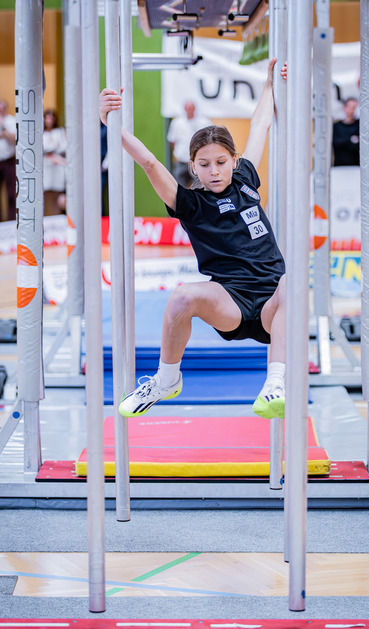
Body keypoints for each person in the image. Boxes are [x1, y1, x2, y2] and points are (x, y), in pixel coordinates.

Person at [99, 58, 287, 421]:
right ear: (193, 166)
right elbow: (150, 163)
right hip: (230, 302)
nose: (213, 171)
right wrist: (112, 124)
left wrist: (268, 85)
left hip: (273, 304)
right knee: (183, 295)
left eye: (221, 162)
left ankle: (275, 384)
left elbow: (261, 124)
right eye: (204, 164)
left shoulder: (246, 179)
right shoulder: (189, 203)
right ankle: (166, 380)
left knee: (292, 282)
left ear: (234, 161)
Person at [166, 100, 212, 188]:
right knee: (179, 187)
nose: (189, 110)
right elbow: (172, 141)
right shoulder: (177, 123)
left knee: (199, 187)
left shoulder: (204, 122)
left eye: (191, 108)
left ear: (194, 109)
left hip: (198, 160)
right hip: (182, 160)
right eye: (188, 108)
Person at [43, 108, 67, 215]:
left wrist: (55, 148)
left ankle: (56, 216)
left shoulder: (59, 132)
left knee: (57, 194)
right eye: (47, 118)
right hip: (45, 165)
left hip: (57, 165)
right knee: (45, 192)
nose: (49, 121)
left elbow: (64, 146)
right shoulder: (40, 132)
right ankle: (45, 217)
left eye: (51, 118)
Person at [332, 97, 360, 166]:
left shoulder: (359, 126)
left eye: (354, 107)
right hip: (340, 166)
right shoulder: (336, 126)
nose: (352, 110)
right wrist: (351, 140)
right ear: (344, 108)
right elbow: (335, 143)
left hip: (356, 166)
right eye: (350, 107)